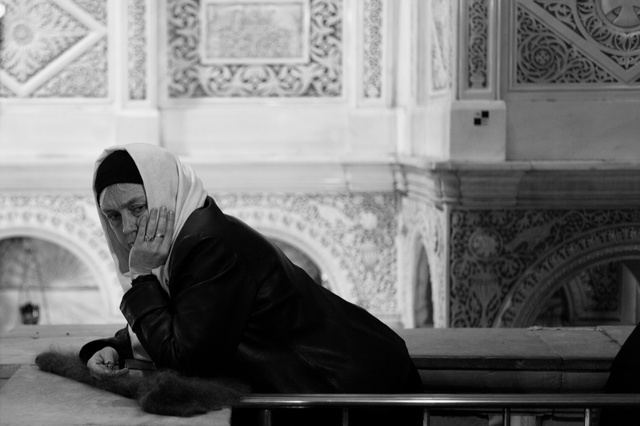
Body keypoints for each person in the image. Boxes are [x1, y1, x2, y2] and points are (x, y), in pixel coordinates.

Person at [79, 144, 422, 425]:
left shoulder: (210, 246)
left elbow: (186, 359)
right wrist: (114, 347)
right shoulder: (189, 239)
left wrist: (140, 277)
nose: (126, 230)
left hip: (357, 392)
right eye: (113, 215)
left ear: (166, 193)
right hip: (335, 388)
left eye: (138, 208)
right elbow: (191, 319)